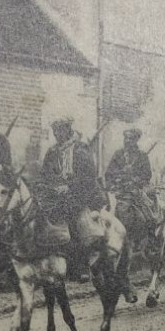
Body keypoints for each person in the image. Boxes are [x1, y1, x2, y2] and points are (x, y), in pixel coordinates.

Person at [38, 114, 101, 278]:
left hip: (78, 193)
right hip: (55, 193)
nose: (56, 134)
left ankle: (81, 265)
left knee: (73, 218)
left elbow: (89, 176)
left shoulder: (81, 149)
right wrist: (49, 186)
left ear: (68, 129)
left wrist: (69, 186)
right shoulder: (52, 151)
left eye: (60, 130)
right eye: (54, 130)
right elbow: (44, 174)